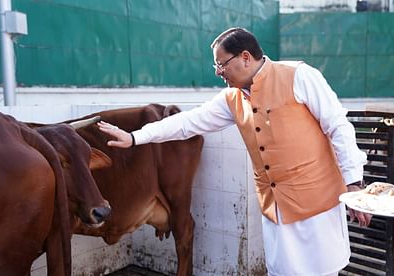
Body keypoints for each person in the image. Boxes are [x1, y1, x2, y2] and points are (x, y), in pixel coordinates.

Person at [97, 27, 372, 276]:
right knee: (282, 271)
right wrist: (135, 137)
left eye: (221, 64)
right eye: (215, 65)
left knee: (322, 269)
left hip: (317, 201)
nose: (218, 72)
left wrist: (354, 182)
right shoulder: (232, 99)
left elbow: (338, 126)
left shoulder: (299, 75)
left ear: (244, 57)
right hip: (276, 206)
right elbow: (187, 123)